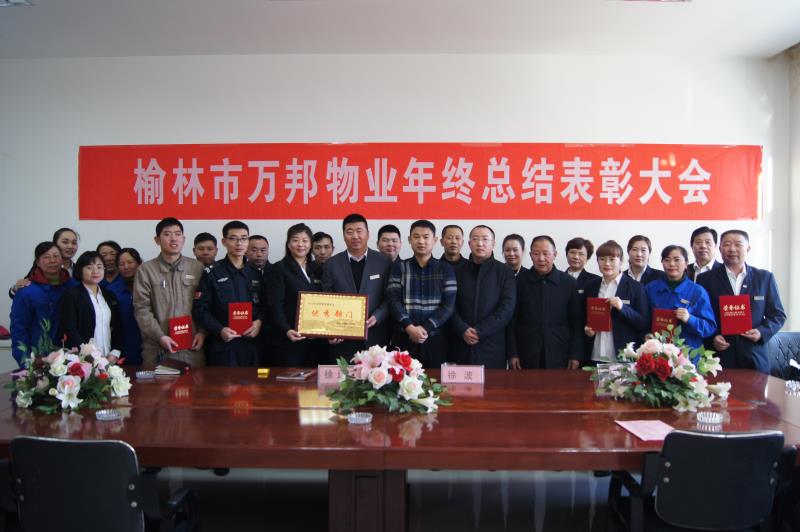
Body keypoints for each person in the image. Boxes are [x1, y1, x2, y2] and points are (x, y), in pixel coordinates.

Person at [696, 230, 786, 373]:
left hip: (754, 356)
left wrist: (761, 332)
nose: (732, 249)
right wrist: (712, 337)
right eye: (727, 244)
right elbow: (700, 316)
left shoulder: (764, 278)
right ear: (720, 249)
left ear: (748, 248)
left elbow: (778, 315)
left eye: (738, 244)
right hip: (718, 358)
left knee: (757, 389)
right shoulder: (705, 279)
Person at [134, 217, 206, 366]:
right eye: (167, 234)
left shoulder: (197, 268)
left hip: (191, 347)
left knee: (195, 381)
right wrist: (160, 336)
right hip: (158, 348)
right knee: (158, 381)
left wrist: (202, 332)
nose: (173, 238)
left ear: (183, 239)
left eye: (178, 234)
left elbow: (205, 304)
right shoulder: (146, 270)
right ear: (157, 240)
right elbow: (142, 309)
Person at [323, 214, 393, 362]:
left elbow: (390, 297)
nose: (355, 236)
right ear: (343, 236)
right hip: (343, 338)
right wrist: (331, 330)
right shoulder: (332, 264)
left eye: (359, 231)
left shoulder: (383, 261)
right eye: (349, 232)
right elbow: (326, 299)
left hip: (375, 337)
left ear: (368, 234)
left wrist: (378, 316)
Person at [193, 221, 264, 367]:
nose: (239, 243)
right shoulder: (212, 272)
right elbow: (200, 309)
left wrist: (259, 322)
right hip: (223, 346)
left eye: (243, 238)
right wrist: (219, 330)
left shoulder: (256, 273)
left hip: (252, 345)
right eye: (233, 238)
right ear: (224, 242)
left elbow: (266, 305)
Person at [387, 220, 456, 367]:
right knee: (401, 380)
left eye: (426, 237)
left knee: (435, 380)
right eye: (416, 236)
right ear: (409, 240)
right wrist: (410, 327)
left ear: (435, 240)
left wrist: (426, 328)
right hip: (404, 337)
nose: (421, 241)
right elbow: (393, 301)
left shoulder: (446, 269)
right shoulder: (399, 268)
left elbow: (448, 306)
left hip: (435, 339)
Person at [508, 236, 582, 370]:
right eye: (536, 254)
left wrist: (575, 354)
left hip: (559, 350)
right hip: (526, 351)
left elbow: (576, 322)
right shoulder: (519, 281)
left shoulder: (568, 283)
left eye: (546, 254)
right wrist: (512, 353)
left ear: (555, 254)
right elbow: (511, 321)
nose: (541, 259)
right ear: (530, 255)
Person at [449, 225, 516, 368]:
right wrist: (462, 329)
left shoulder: (505, 272)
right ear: (469, 243)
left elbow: (506, 308)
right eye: (475, 239)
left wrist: (480, 331)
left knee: (492, 382)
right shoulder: (456, 271)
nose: (480, 243)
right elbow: (449, 305)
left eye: (485, 239)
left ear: (493, 243)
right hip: (460, 344)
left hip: (491, 346)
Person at [10, 242, 78, 366]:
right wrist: (26, 361)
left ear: (62, 259)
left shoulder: (74, 287)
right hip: (39, 358)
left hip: (72, 357)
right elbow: (19, 328)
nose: (52, 260)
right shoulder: (27, 290)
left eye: (56, 256)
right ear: (38, 262)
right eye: (46, 257)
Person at [266, 223, 325, 366]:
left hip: (315, 340)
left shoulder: (317, 269)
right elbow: (275, 305)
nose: (300, 245)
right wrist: (286, 329)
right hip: (290, 339)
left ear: (311, 244)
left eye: (305, 240)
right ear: (288, 244)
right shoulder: (279, 269)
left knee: (314, 378)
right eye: (295, 240)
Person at [584, 240, 650, 363]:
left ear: (621, 261)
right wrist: (588, 330)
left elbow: (644, 323)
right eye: (602, 259)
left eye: (612, 259)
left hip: (622, 356)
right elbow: (584, 317)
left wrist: (623, 308)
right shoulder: (591, 286)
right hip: (594, 354)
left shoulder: (635, 287)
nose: (607, 263)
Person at [644, 245, 716, 349]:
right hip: (657, 352)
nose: (672, 264)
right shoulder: (650, 288)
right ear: (662, 263)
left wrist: (689, 318)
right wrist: (646, 334)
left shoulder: (697, 291)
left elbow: (710, 327)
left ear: (686, 263)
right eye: (667, 260)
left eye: (677, 260)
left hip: (688, 354)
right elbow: (643, 320)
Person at [57, 251, 123, 354]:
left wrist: (115, 352)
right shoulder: (72, 295)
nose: (95, 271)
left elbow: (117, 325)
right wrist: (88, 353)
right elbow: (69, 328)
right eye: (89, 267)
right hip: (83, 357)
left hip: (108, 355)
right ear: (80, 270)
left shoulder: (109, 295)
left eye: (99, 267)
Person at [9, 227, 80, 298]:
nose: (70, 246)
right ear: (55, 244)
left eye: (74, 243)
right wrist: (16, 288)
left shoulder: (79, 268)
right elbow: (23, 292)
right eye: (65, 242)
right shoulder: (44, 269)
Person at [106, 247, 144, 365]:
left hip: (148, 342)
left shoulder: (149, 285)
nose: (126, 267)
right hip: (122, 344)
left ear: (139, 263)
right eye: (121, 264)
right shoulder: (111, 290)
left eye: (130, 262)